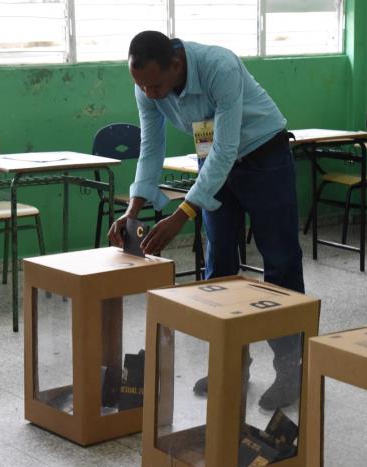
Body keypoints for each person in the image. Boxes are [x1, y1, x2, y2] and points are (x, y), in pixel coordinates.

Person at [108, 31, 305, 410]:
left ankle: (289, 369)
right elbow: (151, 147)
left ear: (176, 64)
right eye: (142, 86)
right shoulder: (147, 85)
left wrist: (183, 213)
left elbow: (227, 147)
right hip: (213, 159)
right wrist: (133, 209)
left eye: (155, 85)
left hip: (264, 156)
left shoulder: (219, 66)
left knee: (280, 263)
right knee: (218, 268)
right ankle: (230, 364)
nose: (150, 93)